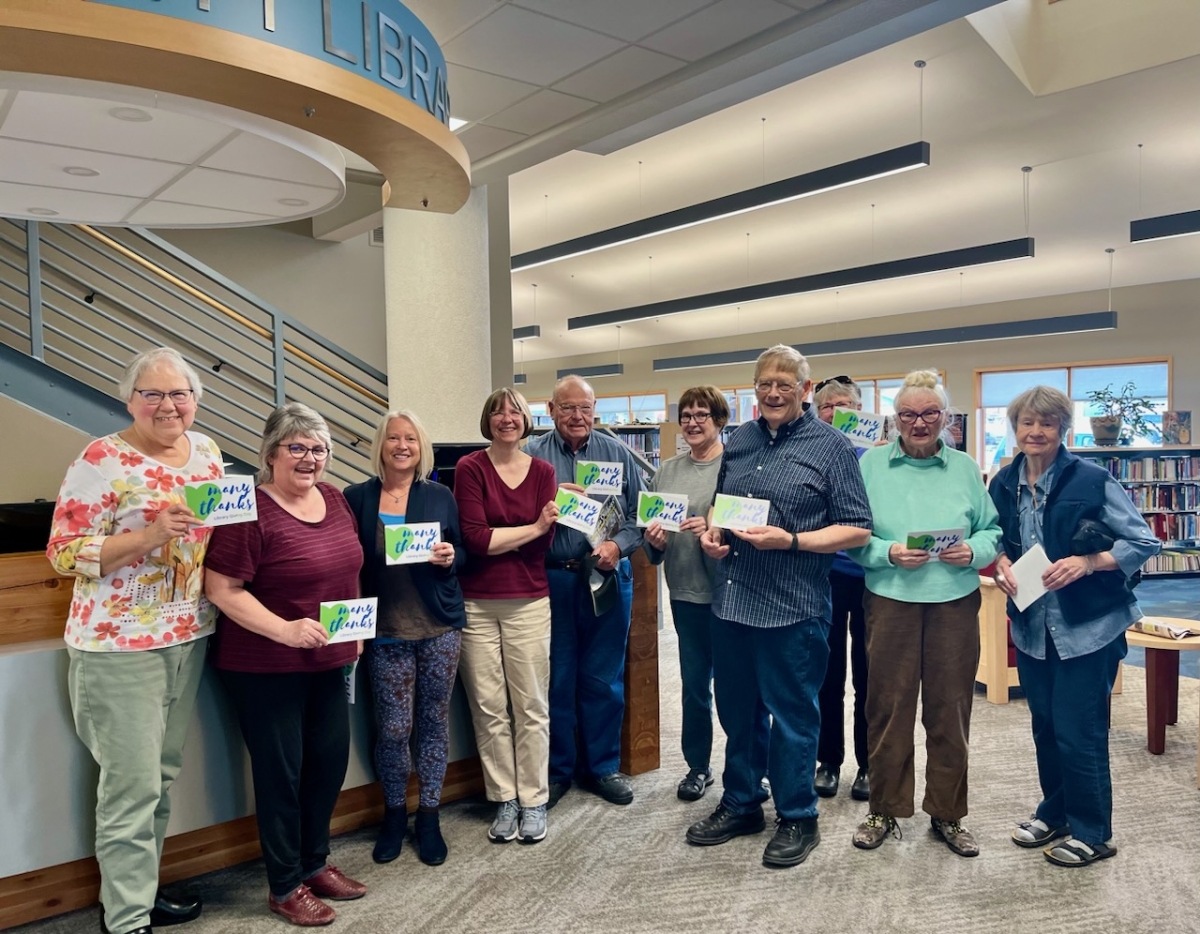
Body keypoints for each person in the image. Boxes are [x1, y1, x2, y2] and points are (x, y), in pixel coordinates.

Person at [47, 347, 220, 934]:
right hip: (118, 644)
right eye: (153, 394)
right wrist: (148, 534)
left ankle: (139, 893)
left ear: (195, 400)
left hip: (188, 633)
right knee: (130, 786)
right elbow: (64, 553)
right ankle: (125, 919)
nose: (168, 405)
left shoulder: (209, 453)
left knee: (161, 776)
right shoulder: (101, 459)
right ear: (131, 400)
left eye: (180, 394)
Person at [690, 345, 872, 870]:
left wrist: (791, 540)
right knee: (739, 713)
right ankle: (743, 801)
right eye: (764, 384)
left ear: (806, 390)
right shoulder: (740, 440)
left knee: (793, 715)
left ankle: (798, 814)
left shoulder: (833, 446)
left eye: (785, 385)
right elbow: (723, 509)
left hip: (794, 607)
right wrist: (714, 536)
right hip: (733, 600)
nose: (773, 393)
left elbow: (857, 527)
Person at [205, 403, 367, 927]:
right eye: (296, 447)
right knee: (282, 774)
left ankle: (315, 862)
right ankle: (283, 885)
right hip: (264, 663)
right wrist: (285, 629)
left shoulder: (336, 499)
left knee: (328, 764)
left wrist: (355, 631)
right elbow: (221, 589)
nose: (309, 459)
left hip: (330, 657)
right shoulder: (248, 510)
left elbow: (349, 568)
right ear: (271, 453)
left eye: (318, 449)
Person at [989, 386, 1160, 867]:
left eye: (1047, 423)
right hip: (1032, 625)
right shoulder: (1003, 482)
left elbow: (1144, 540)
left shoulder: (1091, 478)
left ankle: (1093, 832)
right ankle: (1057, 812)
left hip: (1090, 625)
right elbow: (999, 538)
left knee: (1079, 730)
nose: (1036, 431)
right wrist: (1001, 561)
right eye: (1027, 422)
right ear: (1016, 427)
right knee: (1045, 725)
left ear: (1063, 429)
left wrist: (1089, 561)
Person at [847, 370, 1000, 858]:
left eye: (930, 413)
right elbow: (851, 532)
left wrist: (973, 551)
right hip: (890, 598)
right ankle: (884, 809)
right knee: (887, 707)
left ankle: (949, 814)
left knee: (951, 708)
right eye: (909, 414)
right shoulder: (870, 465)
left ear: (945, 418)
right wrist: (886, 552)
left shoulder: (963, 467)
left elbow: (991, 530)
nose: (919, 423)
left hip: (953, 600)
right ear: (895, 419)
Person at [343, 410, 466, 866]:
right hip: (384, 630)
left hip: (438, 627)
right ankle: (394, 814)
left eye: (410, 438)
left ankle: (429, 816)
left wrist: (451, 556)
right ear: (380, 445)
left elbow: (462, 552)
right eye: (393, 438)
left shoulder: (439, 496)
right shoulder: (356, 497)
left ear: (421, 446)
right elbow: (346, 561)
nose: (401, 446)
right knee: (394, 729)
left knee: (433, 724)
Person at [525, 375, 647, 808]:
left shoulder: (617, 452)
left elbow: (640, 513)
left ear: (595, 410)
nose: (577, 416)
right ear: (551, 409)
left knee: (604, 677)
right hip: (552, 577)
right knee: (555, 677)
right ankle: (557, 770)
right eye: (567, 408)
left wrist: (619, 545)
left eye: (585, 408)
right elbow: (517, 515)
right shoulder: (531, 455)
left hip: (608, 576)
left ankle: (602, 767)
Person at [453, 389, 558, 844]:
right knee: (489, 706)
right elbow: (475, 538)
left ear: (526, 420)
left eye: (514, 411)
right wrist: (532, 527)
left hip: (530, 601)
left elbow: (544, 546)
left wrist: (522, 536)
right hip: (476, 603)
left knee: (531, 705)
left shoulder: (544, 472)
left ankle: (534, 800)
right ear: (487, 421)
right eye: (498, 412)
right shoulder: (469, 468)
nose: (507, 418)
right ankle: (505, 798)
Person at [643, 385, 729, 802]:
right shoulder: (666, 472)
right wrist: (655, 542)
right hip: (685, 593)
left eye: (702, 415)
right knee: (695, 685)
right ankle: (698, 766)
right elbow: (650, 547)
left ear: (719, 421)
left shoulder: (737, 467)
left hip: (732, 594)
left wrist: (713, 530)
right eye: (687, 415)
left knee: (739, 686)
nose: (693, 423)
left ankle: (751, 768)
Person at [811, 375, 871, 803]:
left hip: (872, 578)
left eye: (845, 404)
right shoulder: (811, 453)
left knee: (871, 677)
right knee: (826, 676)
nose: (836, 411)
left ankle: (870, 765)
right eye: (828, 405)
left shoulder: (879, 457)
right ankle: (828, 761)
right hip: (824, 575)